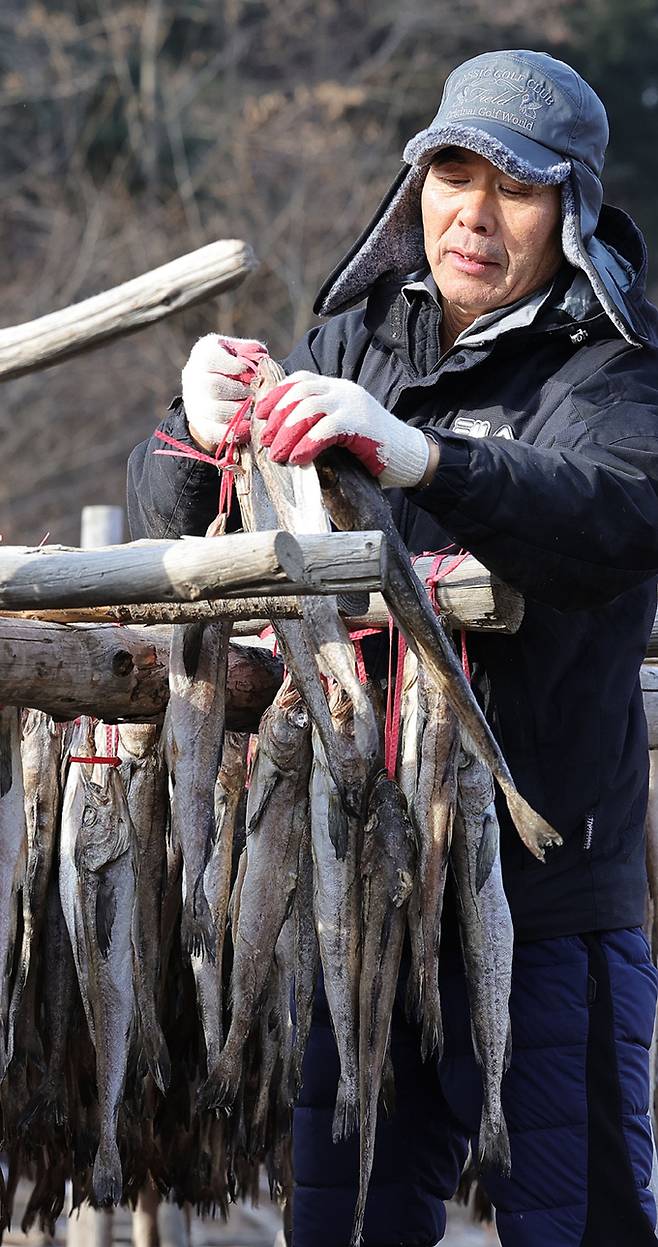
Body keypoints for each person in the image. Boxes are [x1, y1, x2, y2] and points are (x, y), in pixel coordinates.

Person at [128, 49, 658, 1247]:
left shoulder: (614, 371)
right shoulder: (356, 337)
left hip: (545, 904)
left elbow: (616, 515)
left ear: (569, 207)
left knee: (577, 1225)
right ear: (414, 179)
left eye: (513, 188)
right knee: (344, 1222)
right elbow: (187, 536)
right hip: (355, 887)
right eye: (450, 172)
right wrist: (191, 434)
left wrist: (423, 458)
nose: (472, 213)